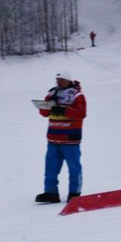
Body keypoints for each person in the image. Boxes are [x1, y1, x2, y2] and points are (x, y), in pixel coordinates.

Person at [35, 71, 87, 204]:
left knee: (74, 168)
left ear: (68, 80)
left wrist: (64, 110)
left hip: (70, 139)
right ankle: (51, 193)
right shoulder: (52, 94)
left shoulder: (77, 95)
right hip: (53, 139)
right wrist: (48, 104)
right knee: (50, 168)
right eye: (57, 79)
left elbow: (81, 113)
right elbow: (44, 113)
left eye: (62, 79)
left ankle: (75, 194)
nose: (59, 82)